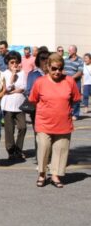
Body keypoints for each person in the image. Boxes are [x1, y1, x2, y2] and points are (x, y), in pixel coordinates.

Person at [29, 53, 81, 188]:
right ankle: (42, 174)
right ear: (47, 67)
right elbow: (33, 100)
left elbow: (75, 98)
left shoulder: (69, 81)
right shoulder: (40, 82)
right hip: (44, 123)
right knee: (44, 147)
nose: (57, 71)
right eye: (54, 68)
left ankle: (55, 175)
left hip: (63, 123)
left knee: (60, 150)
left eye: (60, 68)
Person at [1, 51, 27, 161]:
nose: (14, 65)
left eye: (16, 62)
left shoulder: (23, 73)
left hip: (20, 105)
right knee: (9, 130)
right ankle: (10, 150)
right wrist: (12, 75)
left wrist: (13, 91)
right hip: (8, 105)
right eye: (12, 62)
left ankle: (18, 149)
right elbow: (6, 88)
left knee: (23, 127)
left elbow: (23, 88)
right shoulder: (4, 74)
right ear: (7, 63)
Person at [25, 50, 50, 152]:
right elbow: (29, 91)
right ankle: (40, 157)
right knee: (39, 133)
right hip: (37, 107)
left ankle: (49, 156)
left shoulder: (53, 73)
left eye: (47, 58)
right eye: (42, 58)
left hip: (51, 107)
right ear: (38, 60)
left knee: (50, 133)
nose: (45, 61)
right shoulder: (33, 74)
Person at [64, 45, 83, 120]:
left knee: (76, 98)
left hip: (76, 82)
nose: (69, 52)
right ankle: (69, 113)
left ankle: (75, 114)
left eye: (70, 50)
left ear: (75, 51)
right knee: (67, 98)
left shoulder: (80, 60)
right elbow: (62, 69)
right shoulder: (66, 60)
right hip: (66, 82)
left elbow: (80, 72)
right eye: (68, 50)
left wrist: (71, 78)